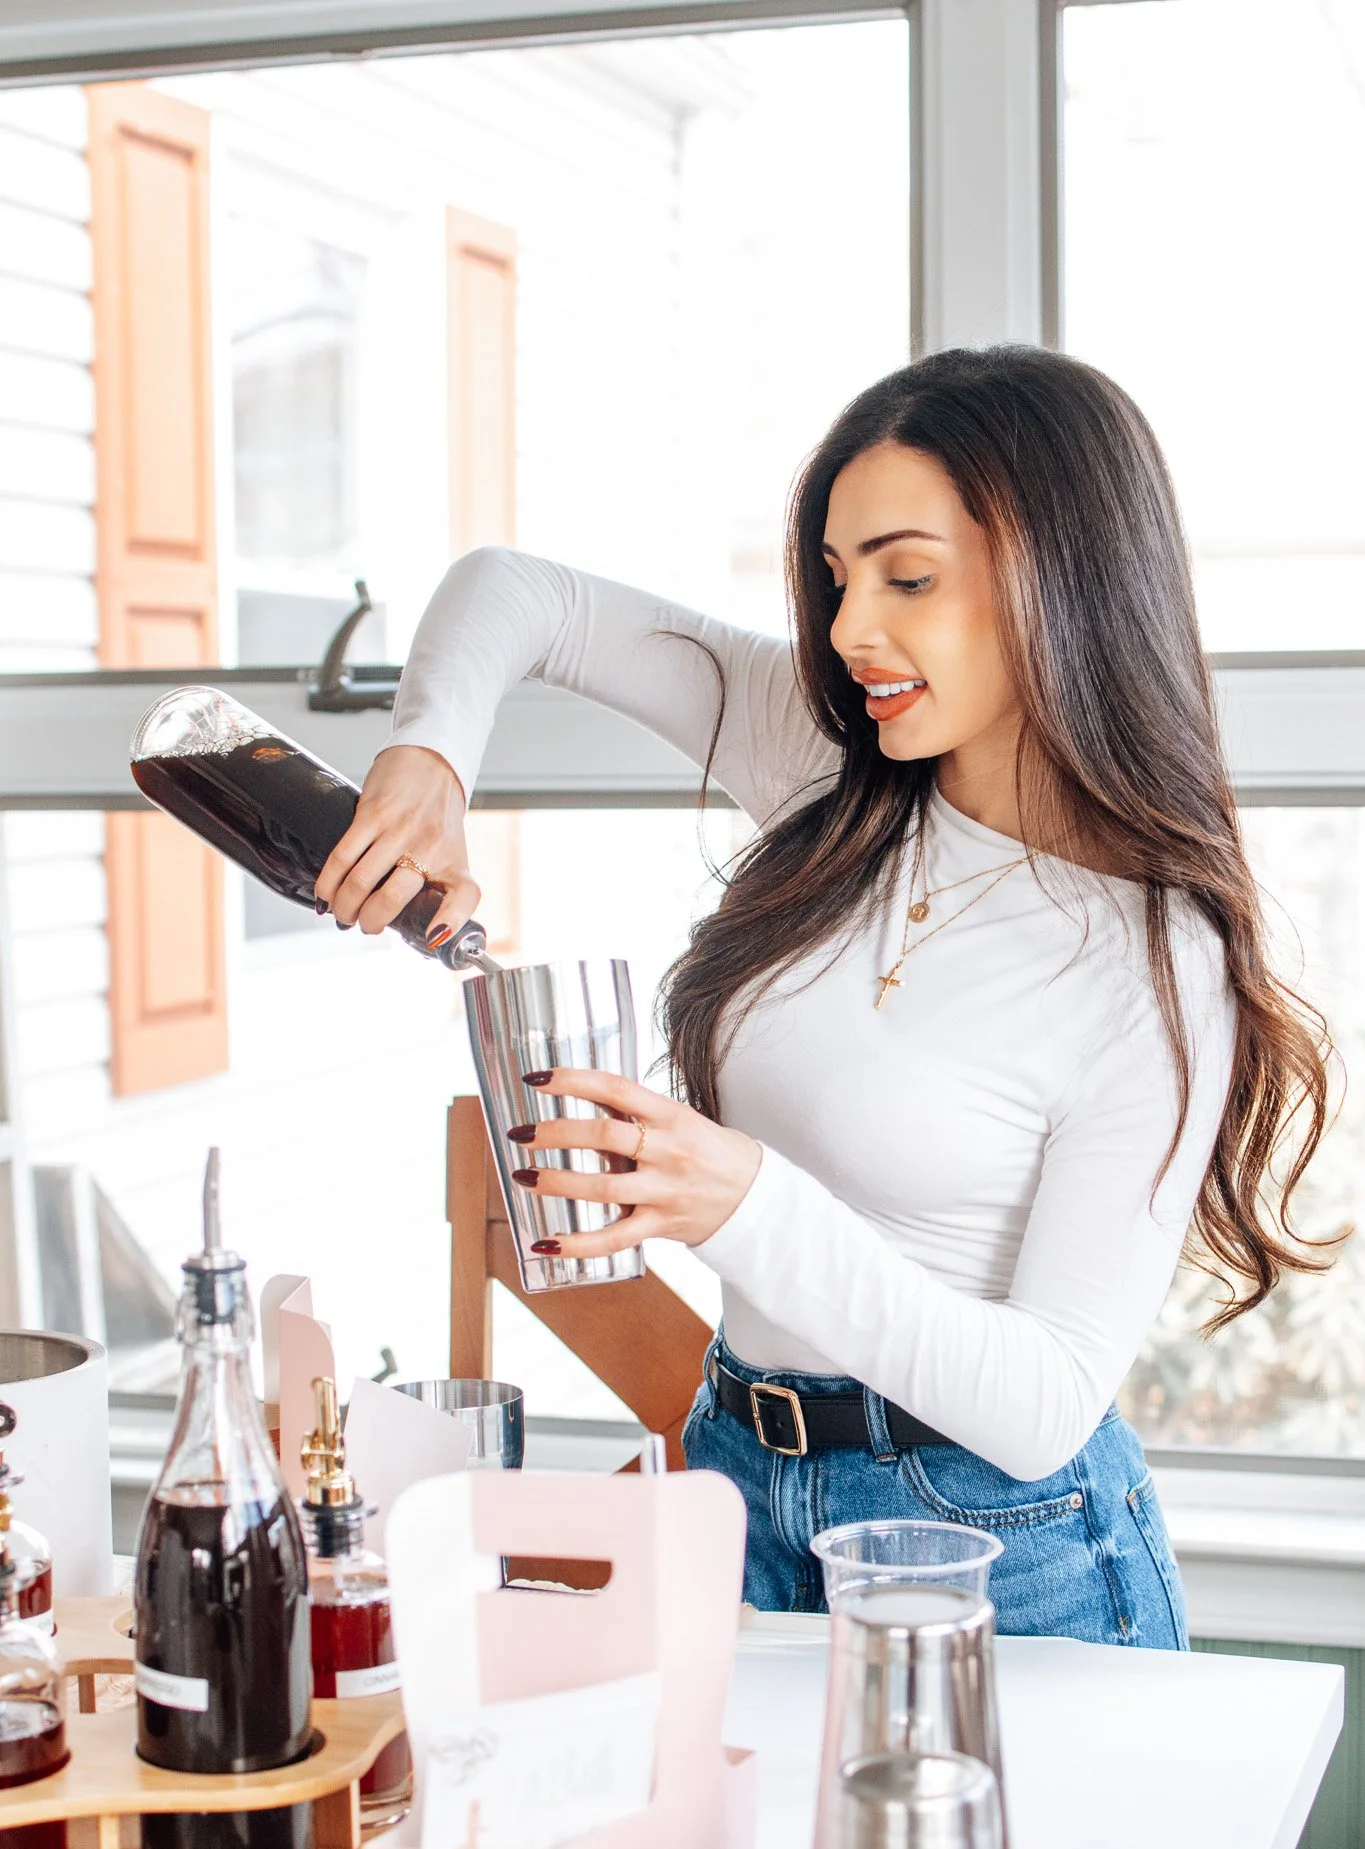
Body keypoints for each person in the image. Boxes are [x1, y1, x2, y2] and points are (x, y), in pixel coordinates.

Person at [316, 346, 1333, 1644]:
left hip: (1000, 1555)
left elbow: (1043, 1404)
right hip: (741, 1480)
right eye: (841, 576)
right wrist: (430, 758)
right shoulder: (823, 761)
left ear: (1061, 582)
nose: (852, 629)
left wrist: (741, 1203)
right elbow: (518, 593)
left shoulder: (1151, 955)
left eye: (907, 577)